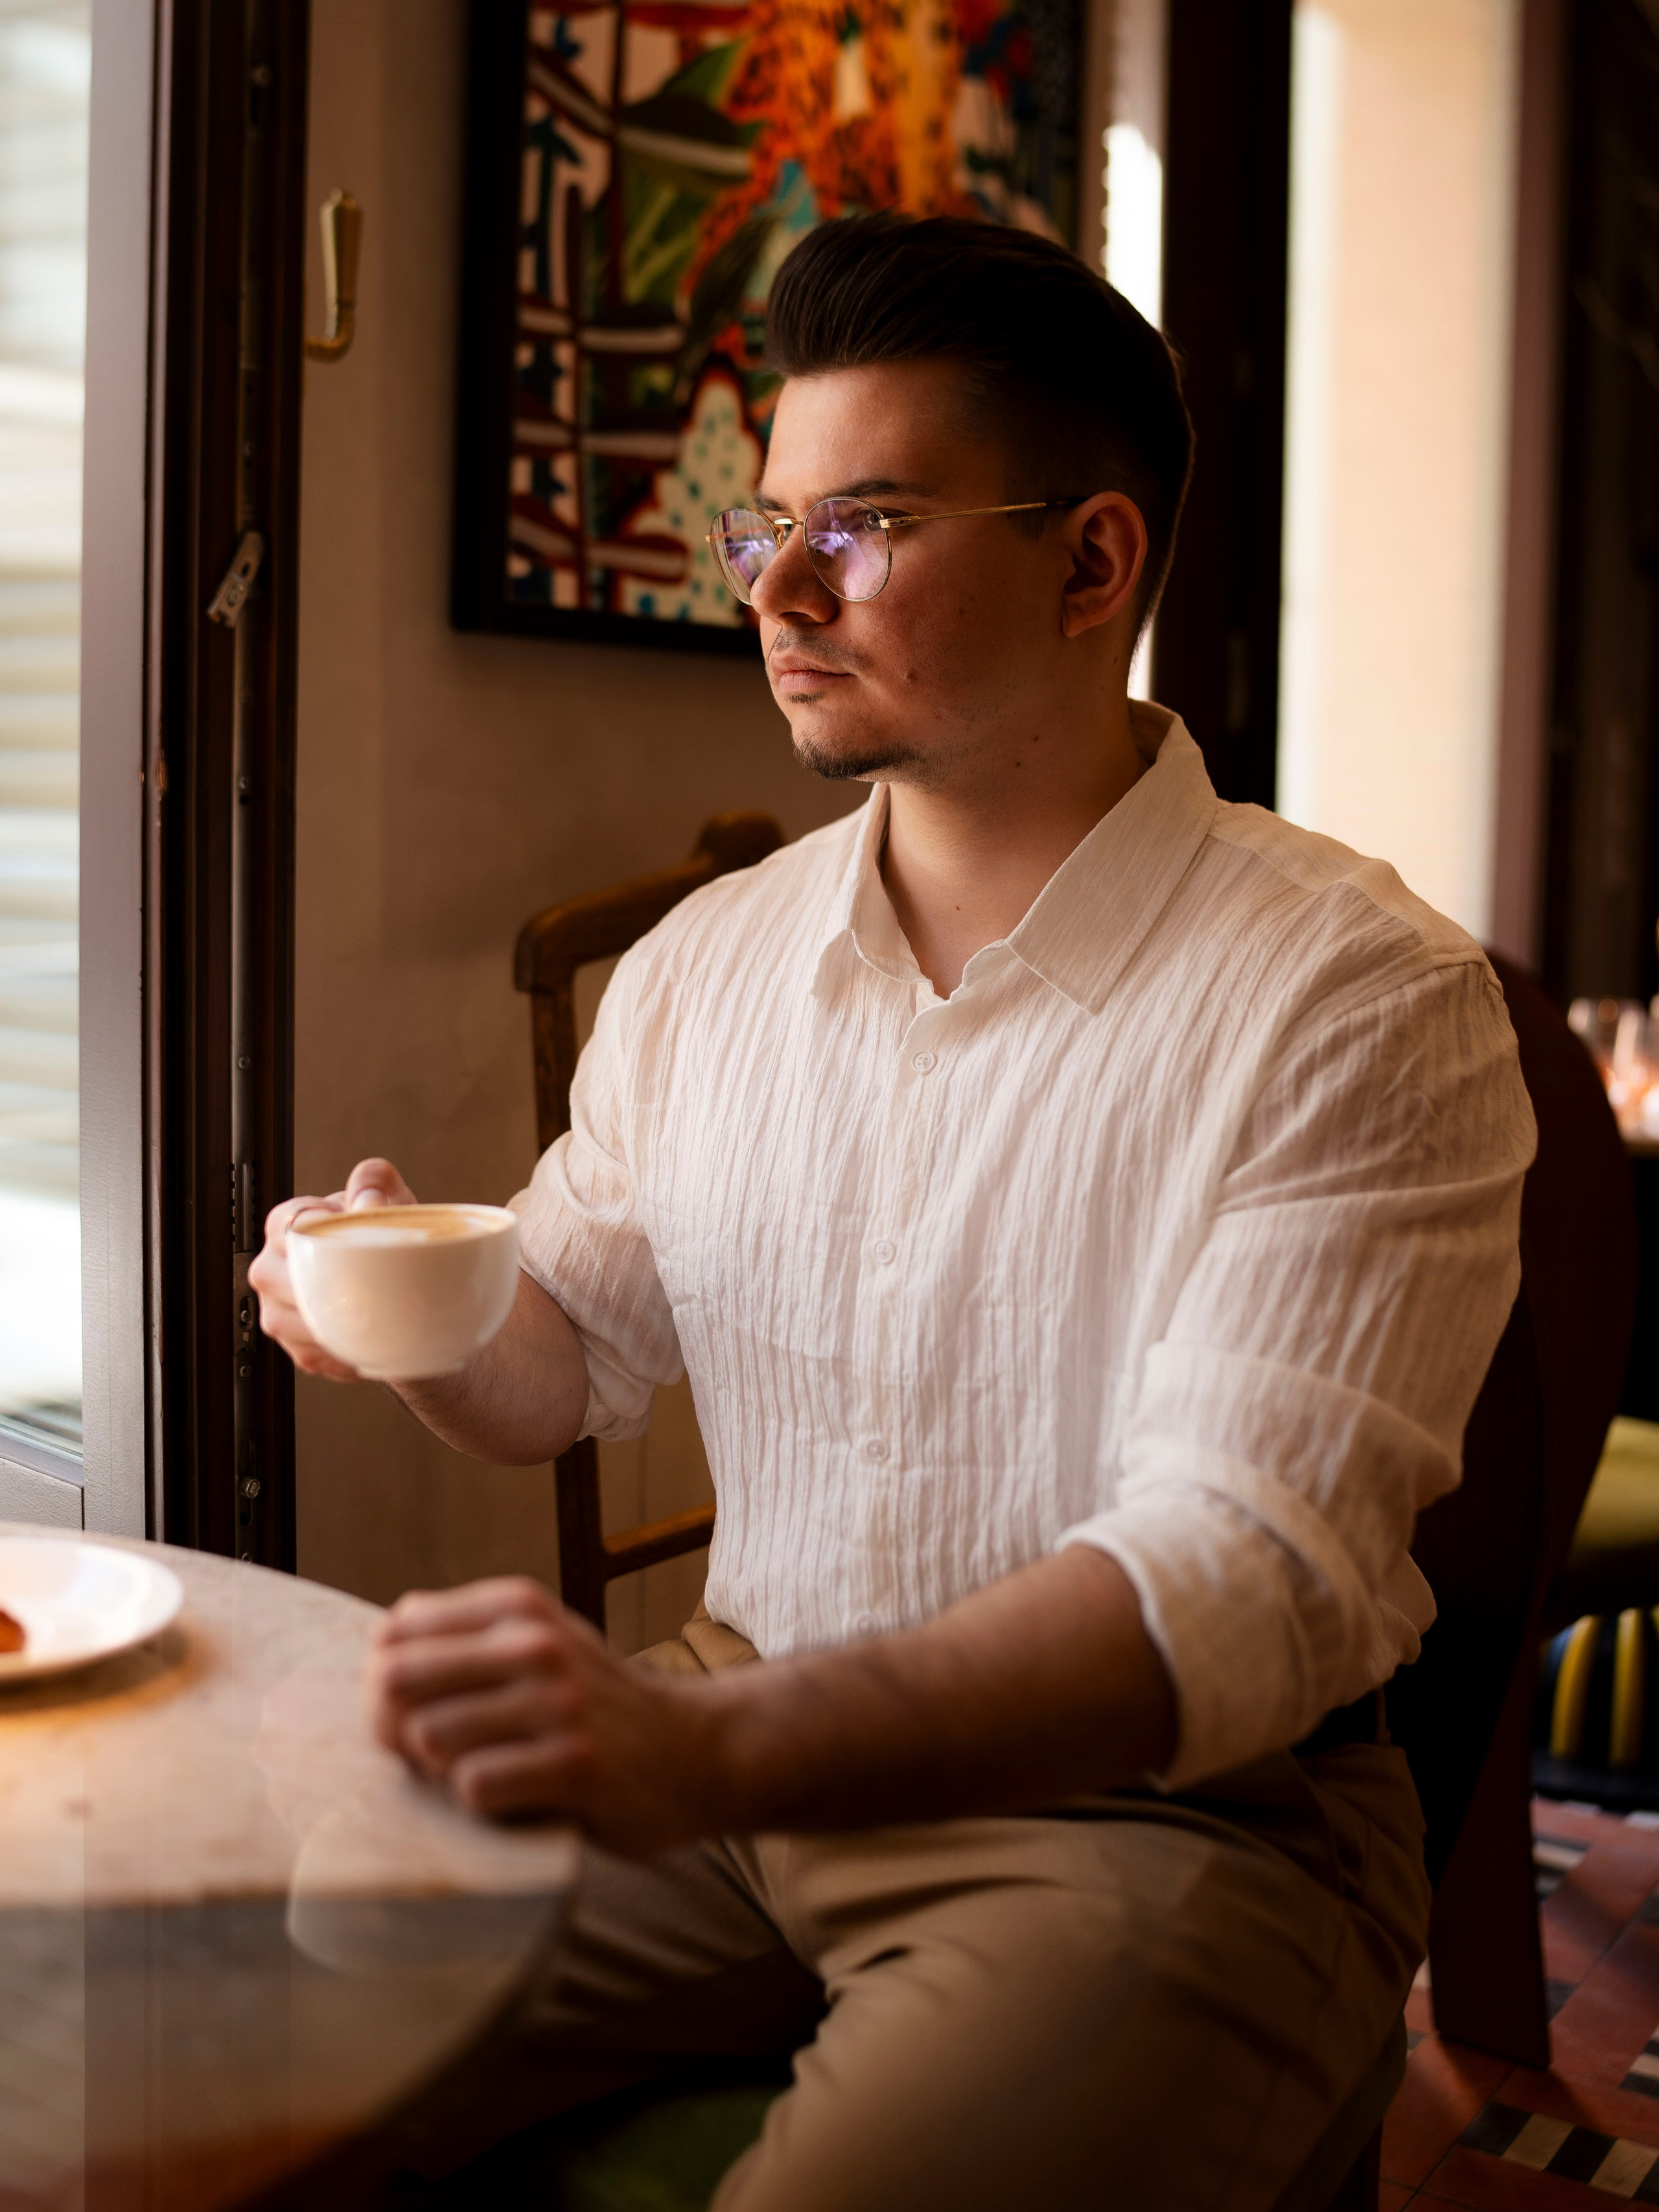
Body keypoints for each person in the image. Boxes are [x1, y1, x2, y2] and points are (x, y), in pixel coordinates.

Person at [249, 213, 1535, 2208]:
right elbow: (566, 1362)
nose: (776, 585)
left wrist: (704, 1758)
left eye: (861, 523)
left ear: (1093, 558)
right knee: (252, 2022)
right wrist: (401, 1309)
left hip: (1168, 1824)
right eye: (764, 527)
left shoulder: (1360, 998)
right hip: (733, 1732)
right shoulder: (706, 966)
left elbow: (1239, 1578)